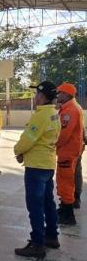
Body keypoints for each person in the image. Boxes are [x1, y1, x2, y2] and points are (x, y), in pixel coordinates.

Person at [13, 81, 60, 258]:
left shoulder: (41, 115)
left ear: (42, 96)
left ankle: (38, 244)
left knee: (35, 205)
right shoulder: (53, 114)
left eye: (37, 94)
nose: (35, 97)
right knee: (48, 203)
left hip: (36, 166)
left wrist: (17, 151)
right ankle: (52, 236)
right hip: (47, 164)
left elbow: (28, 138)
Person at [55, 83, 84, 225]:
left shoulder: (70, 110)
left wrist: (54, 145)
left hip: (67, 151)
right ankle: (64, 208)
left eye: (59, 93)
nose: (57, 95)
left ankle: (68, 215)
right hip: (69, 150)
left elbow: (64, 134)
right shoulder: (70, 107)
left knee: (65, 182)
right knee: (65, 180)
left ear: (66, 94)